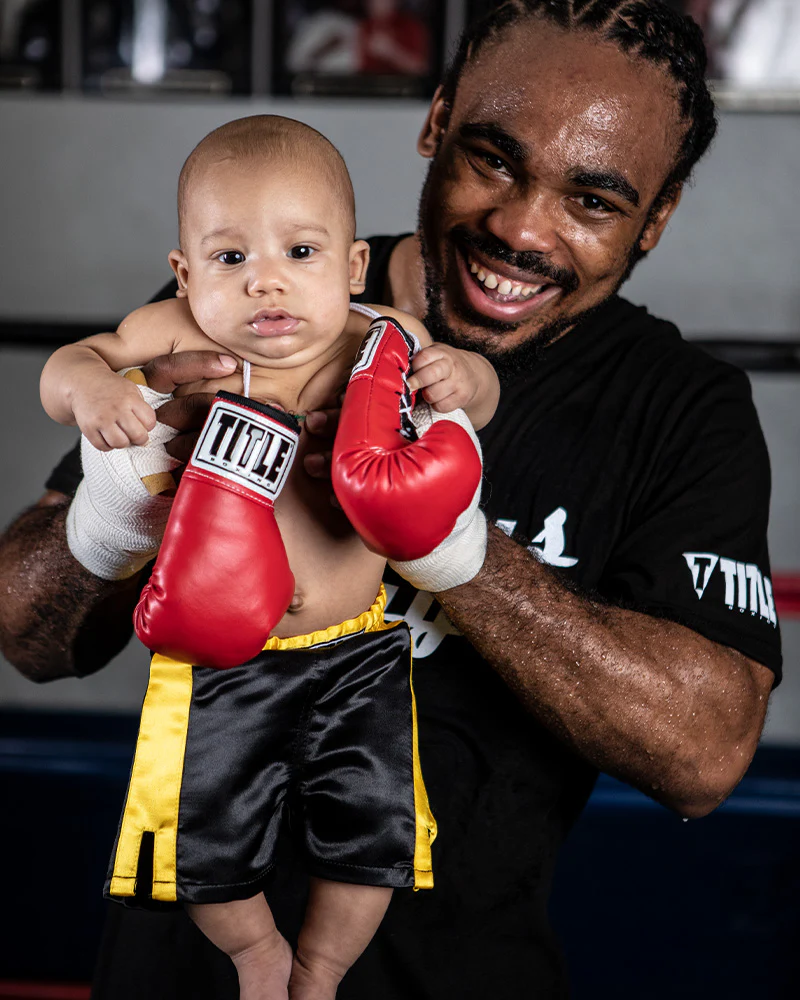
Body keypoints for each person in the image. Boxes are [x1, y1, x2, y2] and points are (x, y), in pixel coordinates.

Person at [0, 2, 781, 998]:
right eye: (492, 160)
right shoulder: (256, 301)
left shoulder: (677, 408)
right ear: (436, 120)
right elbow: (29, 633)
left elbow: (705, 749)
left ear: (657, 216)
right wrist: (122, 503)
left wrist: (455, 552)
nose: (518, 230)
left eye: (592, 201)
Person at [38, 113, 498, 1000]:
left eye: (300, 251)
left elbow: (478, 388)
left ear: (353, 266)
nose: (266, 285)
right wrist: (94, 387)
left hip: (359, 649)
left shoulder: (383, 338)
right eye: (231, 259)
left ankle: (320, 968)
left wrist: (463, 383)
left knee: (376, 835)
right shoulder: (172, 333)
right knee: (201, 842)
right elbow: (70, 361)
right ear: (184, 273)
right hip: (220, 652)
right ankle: (257, 954)